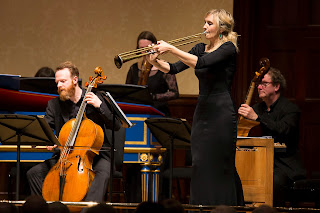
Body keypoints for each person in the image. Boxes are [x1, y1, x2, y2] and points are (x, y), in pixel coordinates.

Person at [146, 9, 244, 206]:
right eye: (204, 22)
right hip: (202, 112)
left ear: (222, 28)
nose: (204, 26)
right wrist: (154, 60)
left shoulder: (228, 49)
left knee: (220, 165)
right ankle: (200, 208)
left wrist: (171, 48)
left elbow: (201, 62)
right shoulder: (200, 47)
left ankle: (226, 207)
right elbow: (173, 68)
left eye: (209, 23)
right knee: (200, 164)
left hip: (221, 112)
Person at [26, 61, 122, 203]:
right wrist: (49, 140)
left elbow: (116, 125)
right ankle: (49, 208)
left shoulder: (95, 99)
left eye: (63, 81)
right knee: (33, 173)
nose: (59, 86)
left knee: (103, 173)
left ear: (75, 80)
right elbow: (46, 129)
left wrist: (100, 106)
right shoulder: (54, 105)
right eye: (57, 82)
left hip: (96, 156)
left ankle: (86, 211)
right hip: (64, 157)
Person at [238, 67, 306, 206]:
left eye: (264, 83)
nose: (259, 87)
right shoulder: (258, 108)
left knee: (272, 180)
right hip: (261, 161)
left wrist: (257, 118)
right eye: (259, 84)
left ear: (276, 86)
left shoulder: (290, 109)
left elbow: (283, 129)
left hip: (284, 164)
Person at [125, 31, 179, 116]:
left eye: (147, 48)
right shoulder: (134, 68)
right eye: (141, 48)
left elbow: (174, 93)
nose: (144, 51)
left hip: (159, 112)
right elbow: (127, 91)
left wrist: (153, 97)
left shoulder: (165, 67)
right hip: (138, 112)